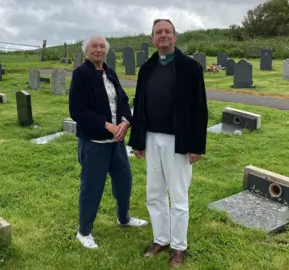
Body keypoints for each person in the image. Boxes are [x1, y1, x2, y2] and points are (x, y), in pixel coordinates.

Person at [128, 19, 208, 267]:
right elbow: (139, 107)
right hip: (151, 138)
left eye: (167, 32)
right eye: (158, 32)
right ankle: (160, 239)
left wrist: (196, 146)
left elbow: (199, 109)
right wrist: (138, 141)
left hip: (179, 141)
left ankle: (179, 247)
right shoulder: (147, 68)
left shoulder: (190, 67)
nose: (163, 35)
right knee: (154, 193)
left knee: (178, 195)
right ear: (152, 39)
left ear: (175, 37)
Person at [69, 34, 148, 249]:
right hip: (94, 143)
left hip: (116, 143)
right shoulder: (81, 74)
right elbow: (77, 111)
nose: (98, 50)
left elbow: (121, 100)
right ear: (86, 50)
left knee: (124, 181)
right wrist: (107, 125)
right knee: (91, 187)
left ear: (106, 50)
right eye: (93, 46)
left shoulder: (109, 71)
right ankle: (84, 231)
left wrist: (125, 122)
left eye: (102, 46)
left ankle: (124, 218)